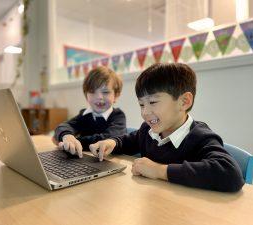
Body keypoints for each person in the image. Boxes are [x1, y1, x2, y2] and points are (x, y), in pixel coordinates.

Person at [89, 63, 244, 192]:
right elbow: (128, 141)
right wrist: (112, 143)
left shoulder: (200, 137)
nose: (145, 112)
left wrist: (159, 171)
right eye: (141, 104)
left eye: (153, 102)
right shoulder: (147, 131)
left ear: (184, 102)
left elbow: (231, 174)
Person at [53, 66, 126, 158]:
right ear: (86, 96)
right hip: (86, 159)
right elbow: (63, 127)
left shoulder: (118, 116)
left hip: (111, 160)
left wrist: (76, 141)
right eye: (92, 92)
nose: (99, 97)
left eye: (105, 92)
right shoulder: (84, 115)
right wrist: (67, 136)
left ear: (116, 96)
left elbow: (108, 139)